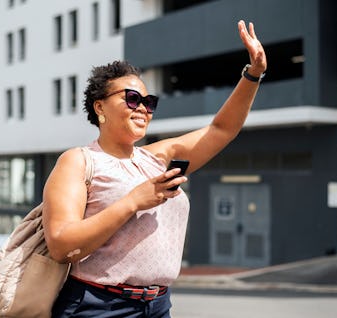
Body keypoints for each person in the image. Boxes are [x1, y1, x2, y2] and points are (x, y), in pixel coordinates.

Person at [43, 20, 267, 317]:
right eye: (132, 98)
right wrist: (133, 200)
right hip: (98, 305)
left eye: (149, 102)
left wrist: (253, 74)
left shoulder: (157, 157)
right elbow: (60, 245)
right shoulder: (79, 161)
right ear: (99, 108)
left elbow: (221, 129)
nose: (142, 108)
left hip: (158, 305)